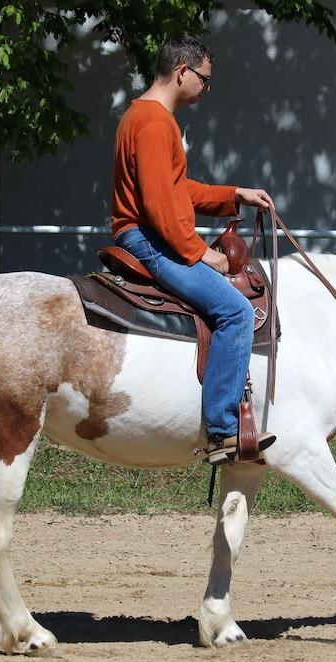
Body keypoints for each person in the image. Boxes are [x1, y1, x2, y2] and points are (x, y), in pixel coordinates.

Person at [111, 35, 276, 465]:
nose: (206, 88)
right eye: (204, 80)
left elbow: (177, 189)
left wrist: (234, 194)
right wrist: (202, 253)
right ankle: (223, 430)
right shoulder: (153, 122)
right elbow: (158, 203)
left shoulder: (145, 117)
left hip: (150, 234)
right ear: (182, 72)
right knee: (236, 312)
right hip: (148, 239)